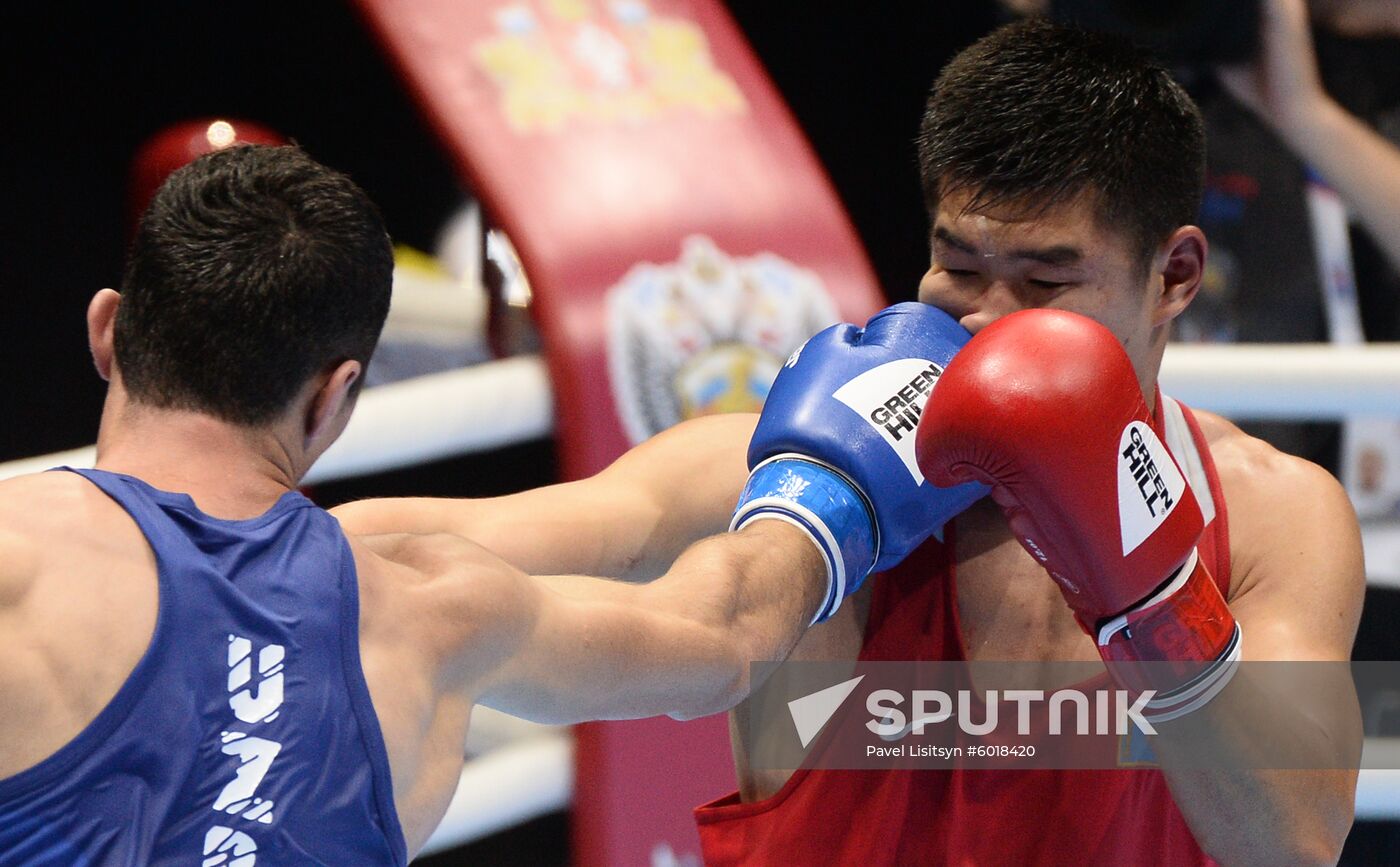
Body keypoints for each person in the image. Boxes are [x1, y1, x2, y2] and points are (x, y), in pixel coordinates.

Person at [348, 19, 1366, 865]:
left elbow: (1297, 838)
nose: (984, 320)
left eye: (1046, 281)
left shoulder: (1267, 517)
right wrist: (198, 536)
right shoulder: (784, 469)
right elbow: (459, 537)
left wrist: (1147, 598)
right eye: (958, 265)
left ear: (1174, 276)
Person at [0, 143, 977, 864]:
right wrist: (841, 477)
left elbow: (644, 528)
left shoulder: (18, 555)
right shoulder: (428, 610)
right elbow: (719, 634)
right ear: (338, 396)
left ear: (107, 331)